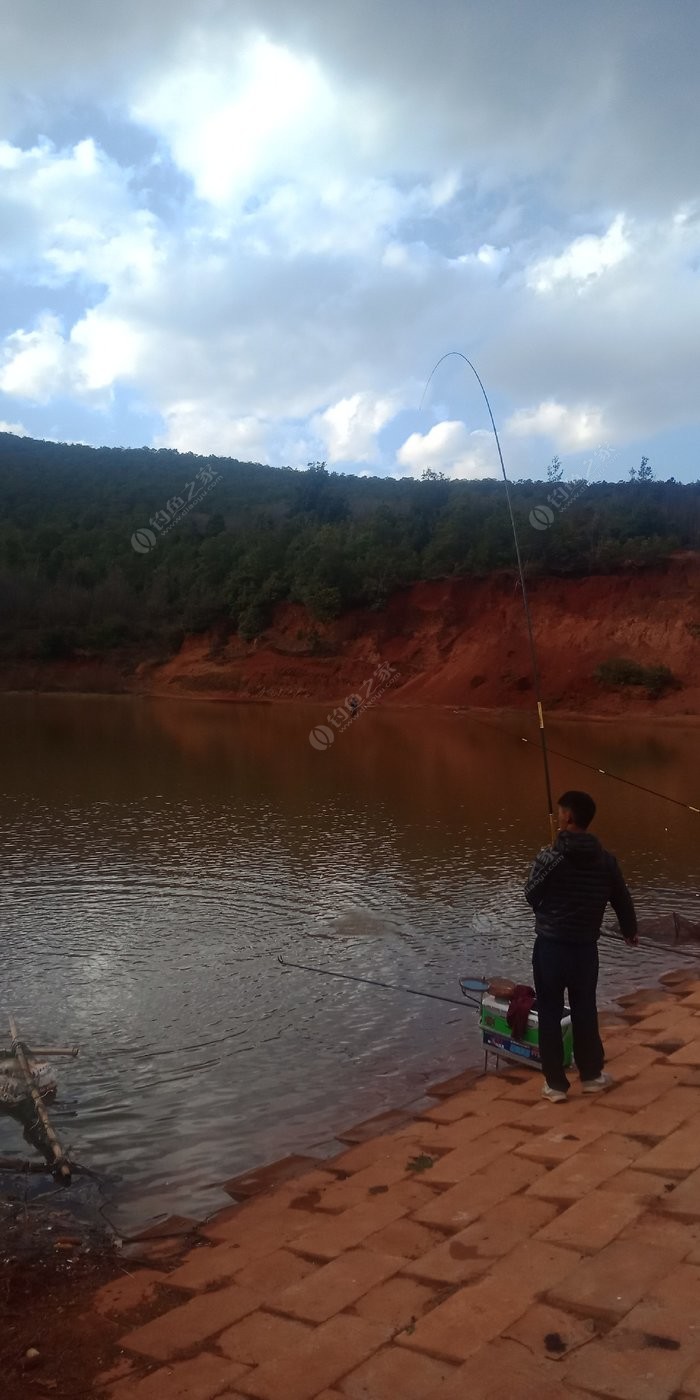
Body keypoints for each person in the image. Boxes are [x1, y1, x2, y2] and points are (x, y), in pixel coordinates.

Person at [524, 790, 638, 1103]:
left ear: (568, 818)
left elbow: (531, 895)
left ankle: (556, 1086)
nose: (559, 817)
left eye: (561, 813)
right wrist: (630, 931)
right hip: (585, 949)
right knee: (585, 1009)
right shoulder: (606, 859)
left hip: (551, 949)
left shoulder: (551, 857)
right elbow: (622, 899)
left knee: (548, 1011)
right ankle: (591, 1076)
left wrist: (544, 858)